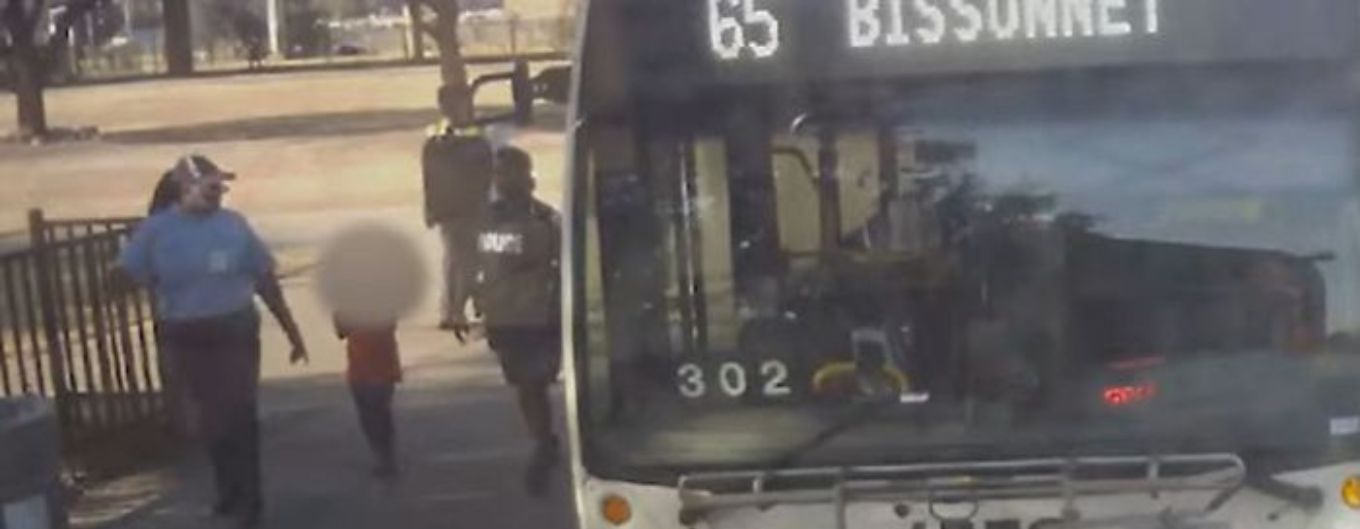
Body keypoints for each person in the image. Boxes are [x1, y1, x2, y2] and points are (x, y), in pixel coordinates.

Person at [117, 154, 308, 528]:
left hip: (233, 328)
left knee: (240, 414)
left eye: (221, 188)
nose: (218, 195)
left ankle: (250, 500)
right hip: (185, 334)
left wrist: (291, 330)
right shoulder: (157, 231)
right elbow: (127, 275)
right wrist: (120, 272)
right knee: (210, 420)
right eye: (210, 188)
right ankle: (228, 488)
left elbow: (264, 278)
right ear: (184, 190)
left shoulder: (234, 226)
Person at [450, 146, 562, 495]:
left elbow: (566, 266)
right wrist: (456, 306)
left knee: (535, 382)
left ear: (528, 178)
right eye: (498, 173)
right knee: (526, 387)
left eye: (510, 172)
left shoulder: (547, 219)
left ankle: (544, 443)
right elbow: (466, 265)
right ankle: (543, 439)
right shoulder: (483, 218)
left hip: (541, 317)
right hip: (504, 318)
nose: (503, 180)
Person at [423, 86, 495, 330]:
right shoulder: (438, 137)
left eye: (460, 103)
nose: (456, 109)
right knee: (458, 261)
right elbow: (430, 175)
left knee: (466, 261)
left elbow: (488, 171)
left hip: (475, 206)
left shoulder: (476, 134)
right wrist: (430, 208)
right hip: (452, 208)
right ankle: (454, 310)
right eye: (450, 104)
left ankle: (457, 309)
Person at [333, 314, 401, 478]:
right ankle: (381, 454)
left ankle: (385, 456)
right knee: (368, 413)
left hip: (381, 364)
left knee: (379, 411)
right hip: (360, 366)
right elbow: (341, 331)